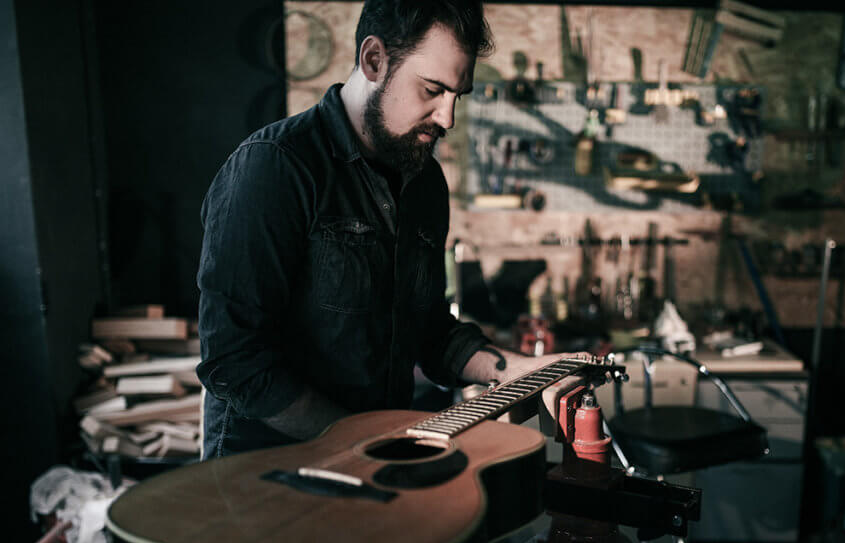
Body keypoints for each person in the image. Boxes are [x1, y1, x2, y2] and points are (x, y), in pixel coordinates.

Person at [197, 0, 577, 458]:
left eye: (458, 95)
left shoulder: (426, 183)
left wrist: (514, 368)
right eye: (432, 90)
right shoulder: (276, 166)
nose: (447, 118)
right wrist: (363, 440)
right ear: (374, 60)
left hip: (375, 469)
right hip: (268, 482)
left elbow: (428, 331)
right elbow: (233, 361)